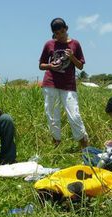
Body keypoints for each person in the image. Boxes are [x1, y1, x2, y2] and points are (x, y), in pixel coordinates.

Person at [39, 17, 88, 147]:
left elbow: (80, 66)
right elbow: (41, 65)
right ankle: (56, 146)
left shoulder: (75, 44)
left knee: (74, 115)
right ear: (53, 33)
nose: (59, 36)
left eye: (61, 32)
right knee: (52, 116)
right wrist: (50, 66)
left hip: (68, 85)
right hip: (51, 83)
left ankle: (84, 146)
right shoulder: (49, 44)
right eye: (56, 34)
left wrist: (72, 56)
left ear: (66, 28)